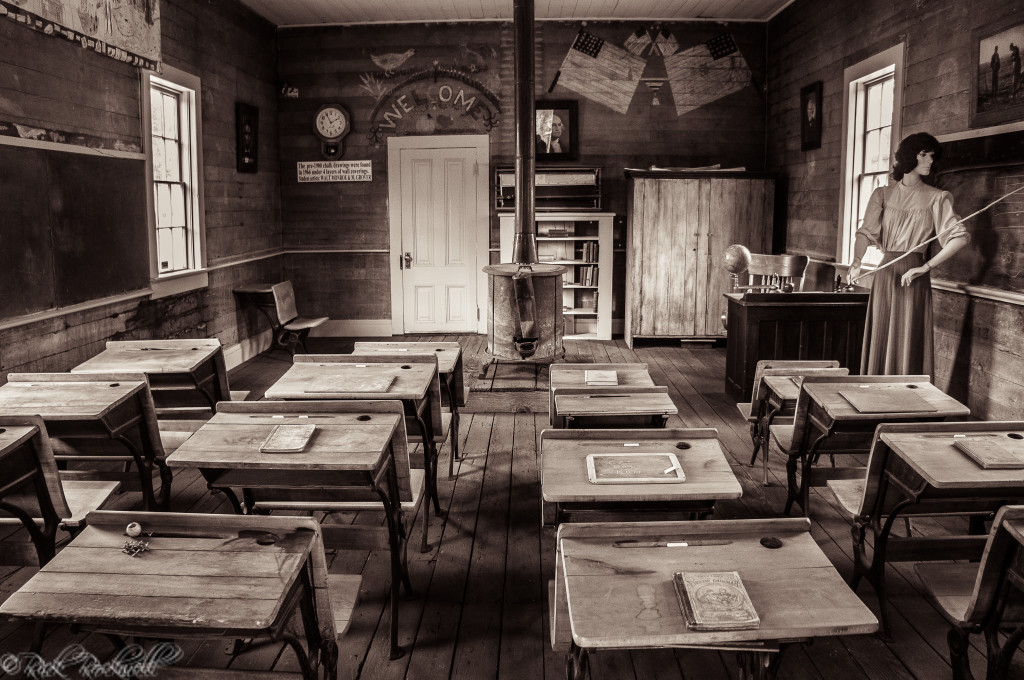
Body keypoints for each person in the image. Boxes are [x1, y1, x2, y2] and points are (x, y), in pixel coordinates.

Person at [849, 133, 970, 377]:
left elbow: (960, 237)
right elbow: (865, 232)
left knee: (907, 337)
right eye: (923, 154)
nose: (928, 161)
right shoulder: (882, 194)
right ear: (908, 157)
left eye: (931, 156)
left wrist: (925, 267)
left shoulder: (938, 198)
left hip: (913, 274)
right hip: (886, 272)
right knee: (882, 332)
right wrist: (856, 261)